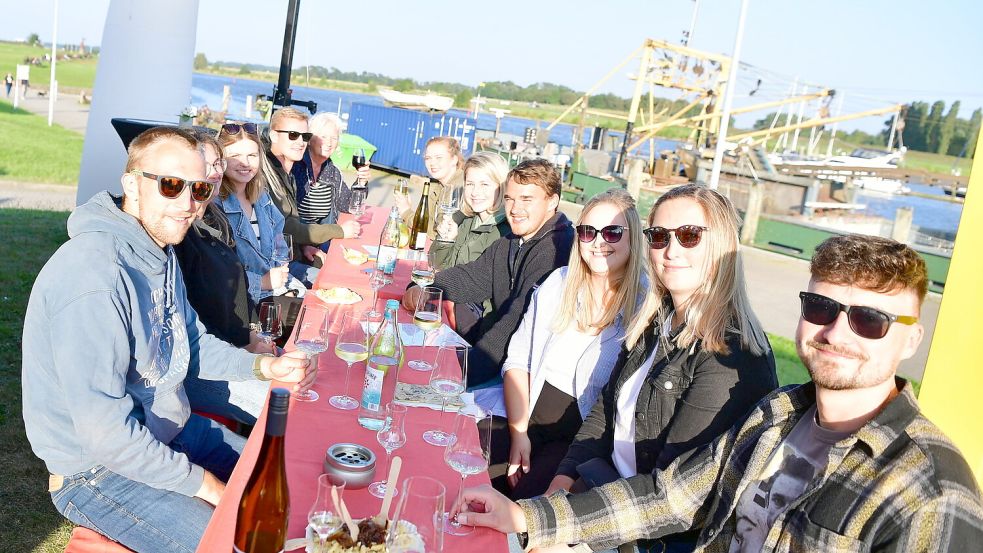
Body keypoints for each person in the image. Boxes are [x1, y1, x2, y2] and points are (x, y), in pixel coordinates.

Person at [453, 234, 983, 552]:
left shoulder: (931, 491)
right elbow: (672, 496)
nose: (836, 333)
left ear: (911, 338)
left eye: (870, 320)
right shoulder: (776, 416)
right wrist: (527, 517)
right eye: (821, 309)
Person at [22, 126, 315, 551]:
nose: (188, 203)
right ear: (131, 184)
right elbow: (106, 434)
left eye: (198, 189)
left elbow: (190, 342)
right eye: (172, 185)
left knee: (280, 483)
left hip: (169, 431)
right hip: (97, 470)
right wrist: (206, 486)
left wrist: (264, 366)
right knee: (236, 541)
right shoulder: (94, 277)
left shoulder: (159, 249)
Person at [480, 188, 649, 500]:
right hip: (524, 412)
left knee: (525, 504)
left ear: (633, 237)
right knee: (464, 464)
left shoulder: (645, 306)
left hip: (579, 438)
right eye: (587, 232)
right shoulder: (558, 283)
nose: (599, 243)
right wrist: (519, 434)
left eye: (612, 232)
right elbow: (517, 360)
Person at [402, 158, 575, 388]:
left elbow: (514, 324)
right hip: (498, 363)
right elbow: (471, 277)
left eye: (526, 199)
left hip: (528, 382)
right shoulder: (512, 242)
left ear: (552, 201)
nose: (514, 209)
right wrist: (424, 289)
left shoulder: (556, 249)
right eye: (510, 199)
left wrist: (456, 372)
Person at [175, 128, 275, 427]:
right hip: (199, 367)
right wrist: (243, 350)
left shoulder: (215, 217)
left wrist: (255, 333)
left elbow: (237, 286)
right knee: (284, 407)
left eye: (219, 162)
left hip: (236, 346)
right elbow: (196, 314)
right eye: (206, 164)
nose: (216, 171)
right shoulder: (181, 232)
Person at [261, 107, 360, 286]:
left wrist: (304, 246)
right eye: (293, 135)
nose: (300, 142)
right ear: (274, 136)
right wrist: (339, 231)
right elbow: (287, 226)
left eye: (304, 136)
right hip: (274, 268)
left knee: (349, 272)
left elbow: (347, 205)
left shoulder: (289, 173)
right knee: (335, 283)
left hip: (296, 252)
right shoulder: (268, 173)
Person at [217, 122, 305, 304]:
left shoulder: (261, 196)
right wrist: (262, 282)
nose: (245, 163)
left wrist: (280, 274)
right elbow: (217, 272)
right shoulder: (215, 206)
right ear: (220, 160)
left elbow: (279, 240)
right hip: (242, 301)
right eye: (235, 156)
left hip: (276, 288)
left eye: (252, 155)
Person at [430, 151, 511, 341]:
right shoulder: (466, 221)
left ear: (502, 188)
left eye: (485, 185)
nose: (475, 192)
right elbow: (436, 265)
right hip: (449, 311)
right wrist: (446, 240)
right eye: (470, 184)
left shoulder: (504, 233)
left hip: (472, 328)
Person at [290, 113, 370, 245]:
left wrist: (361, 182)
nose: (329, 143)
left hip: (323, 239)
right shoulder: (295, 166)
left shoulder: (332, 172)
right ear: (309, 139)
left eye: (334, 138)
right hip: (297, 242)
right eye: (323, 136)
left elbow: (347, 205)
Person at [394, 136, 465, 238]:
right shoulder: (441, 185)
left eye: (439, 157)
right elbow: (428, 222)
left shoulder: (457, 187)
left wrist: (406, 212)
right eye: (428, 158)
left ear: (454, 160)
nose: (432, 163)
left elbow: (436, 232)